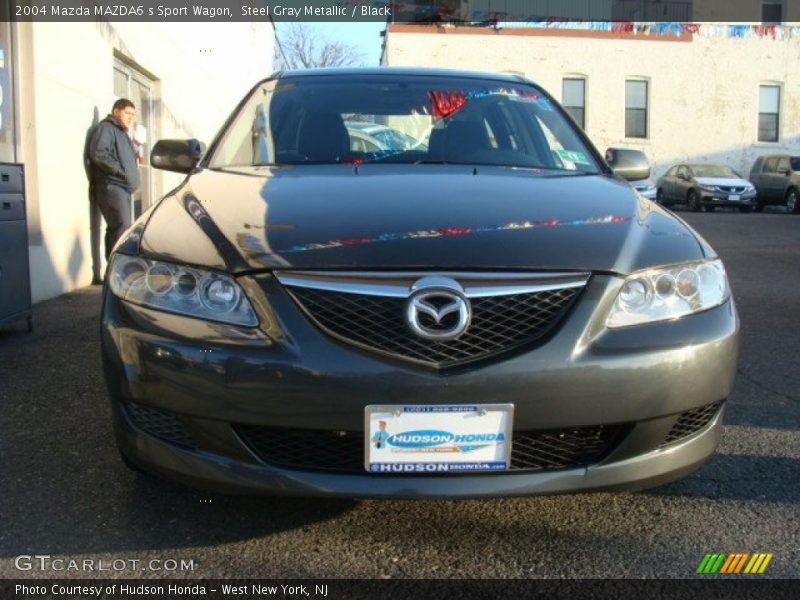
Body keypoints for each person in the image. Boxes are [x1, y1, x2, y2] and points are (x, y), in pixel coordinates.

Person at [86, 98, 140, 283]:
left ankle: (116, 273)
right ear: (116, 111)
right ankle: (116, 275)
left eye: (133, 115)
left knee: (119, 229)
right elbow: (99, 154)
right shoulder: (107, 128)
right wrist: (121, 172)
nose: (130, 117)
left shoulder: (122, 133)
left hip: (122, 188)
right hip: (112, 187)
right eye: (127, 113)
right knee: (120, 228)